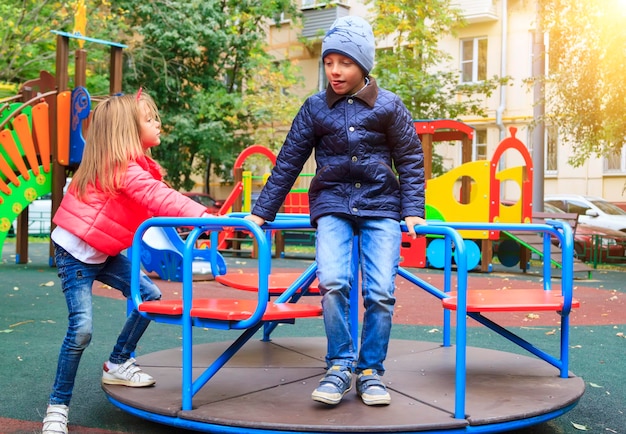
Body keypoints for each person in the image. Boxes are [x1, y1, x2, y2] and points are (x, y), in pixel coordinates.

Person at [245, 15, 425, 407]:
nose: (335, 70)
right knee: (333, 282)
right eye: (329, 62)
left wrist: (413, 209)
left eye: (344, 62)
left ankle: (370, 371)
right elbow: (289, 161)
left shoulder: (390, 106)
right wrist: (262, 212)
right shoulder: (314, 109)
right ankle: (340, 364)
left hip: (381, 205)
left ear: (363, 65)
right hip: (332, 203)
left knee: (380, 291)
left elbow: (411, 159)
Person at [42, 91, 212, 434]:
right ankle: (57, 406)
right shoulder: (121, 167)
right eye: (149, 119)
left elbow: (154, 198)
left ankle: (118, 361)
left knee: (148, 295)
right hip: (75, 254)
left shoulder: (137, 167)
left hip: (102, 251)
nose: (158, 123)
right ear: (128, 132)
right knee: (81, 330)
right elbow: (156, 197)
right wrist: (206, 216)